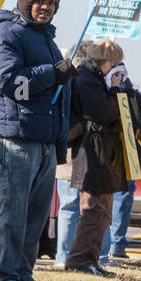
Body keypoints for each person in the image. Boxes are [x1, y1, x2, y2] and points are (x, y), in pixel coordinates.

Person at [0, 0, 72, 281]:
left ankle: (23, 273)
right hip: (14, 136)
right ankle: (3, 276)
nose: (46, 8)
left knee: (35, 215)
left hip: (43, 140)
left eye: (53, 3)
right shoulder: (6, 32)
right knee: (12, 210)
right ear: (26, 0)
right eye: (41, 1)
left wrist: (58, 144)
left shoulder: (47, 39)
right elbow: (9, 82)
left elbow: (59, 96)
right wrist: (53, 73)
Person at [64, 39, 129, 275]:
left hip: (100, 154)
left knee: (101, 211)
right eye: (114, 63)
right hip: (90, 155)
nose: (117, 68)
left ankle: (89, 260)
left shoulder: (95, 80)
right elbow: (104, 112)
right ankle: (80, 261)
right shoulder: (86, 81)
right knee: (93, 209)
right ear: (103, 62)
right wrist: (115, 90)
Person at [101, 61, 141, 263]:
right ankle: (111, 245)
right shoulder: (101, 90)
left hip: (127, 150)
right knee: (107, 200)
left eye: (121, 73)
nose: (119, 76)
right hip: (111, 150)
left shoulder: (130, 93)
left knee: (123, 198)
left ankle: (116, 244)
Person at [54, 41, 91, 267]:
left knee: (72, 207)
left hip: (77, 155)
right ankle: (64, 256)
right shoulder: (70, 82)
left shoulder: (75, 82)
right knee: (71, 207)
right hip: (72, 155)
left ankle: (66, 256)